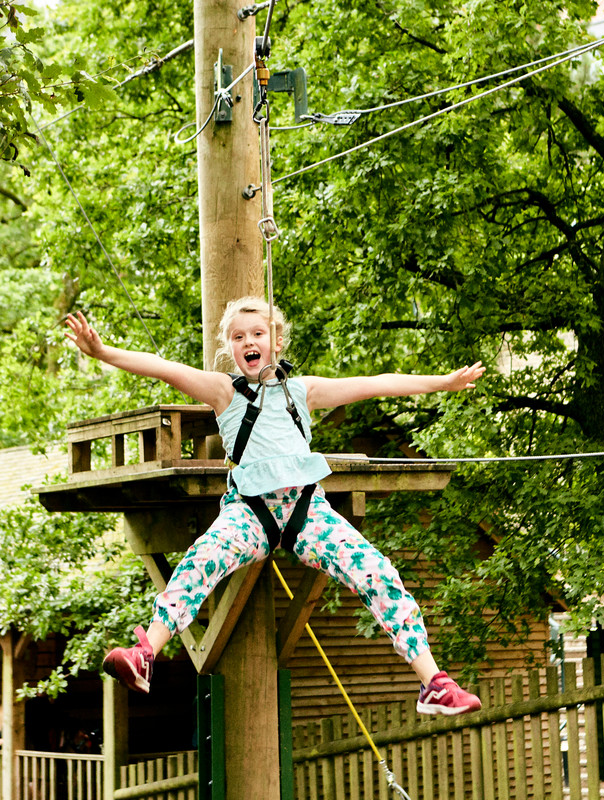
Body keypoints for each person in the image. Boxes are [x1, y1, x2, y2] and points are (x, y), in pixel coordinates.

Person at [64, 297, 486, 716]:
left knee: (379, 572)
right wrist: (102, 352)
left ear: (276, 342)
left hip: (307, 512)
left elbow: (377, 382)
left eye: (257, 334)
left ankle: (433, 683)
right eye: (238, 337)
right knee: (200, 561)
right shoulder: (222, 390)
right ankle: (145, 652)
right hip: (251, 513)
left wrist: (440, 383)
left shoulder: (302, 391)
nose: (248, 341)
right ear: (229, 347)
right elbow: (161, 367)